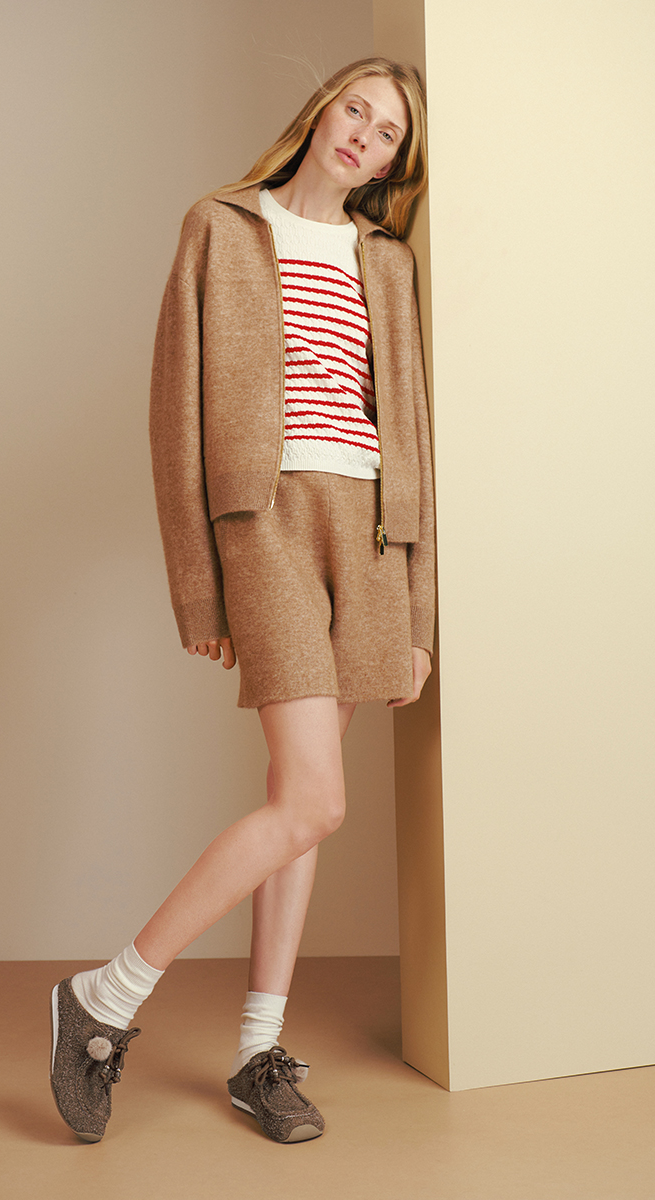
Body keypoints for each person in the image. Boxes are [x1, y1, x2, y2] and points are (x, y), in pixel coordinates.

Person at [49, 57, 434, 1145]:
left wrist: (416, 613)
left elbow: (409, 432)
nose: (365, 134)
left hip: (370, 534)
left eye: (389, 132)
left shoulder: (387, 262)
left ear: (392, 164)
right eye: (356, 109)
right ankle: (107, 994)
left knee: (300, 801)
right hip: (265, 523)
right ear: (321, 110)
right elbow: (176, 416)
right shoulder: (222, 229)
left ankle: (258, 1052)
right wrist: (198, 588)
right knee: (313, 800)